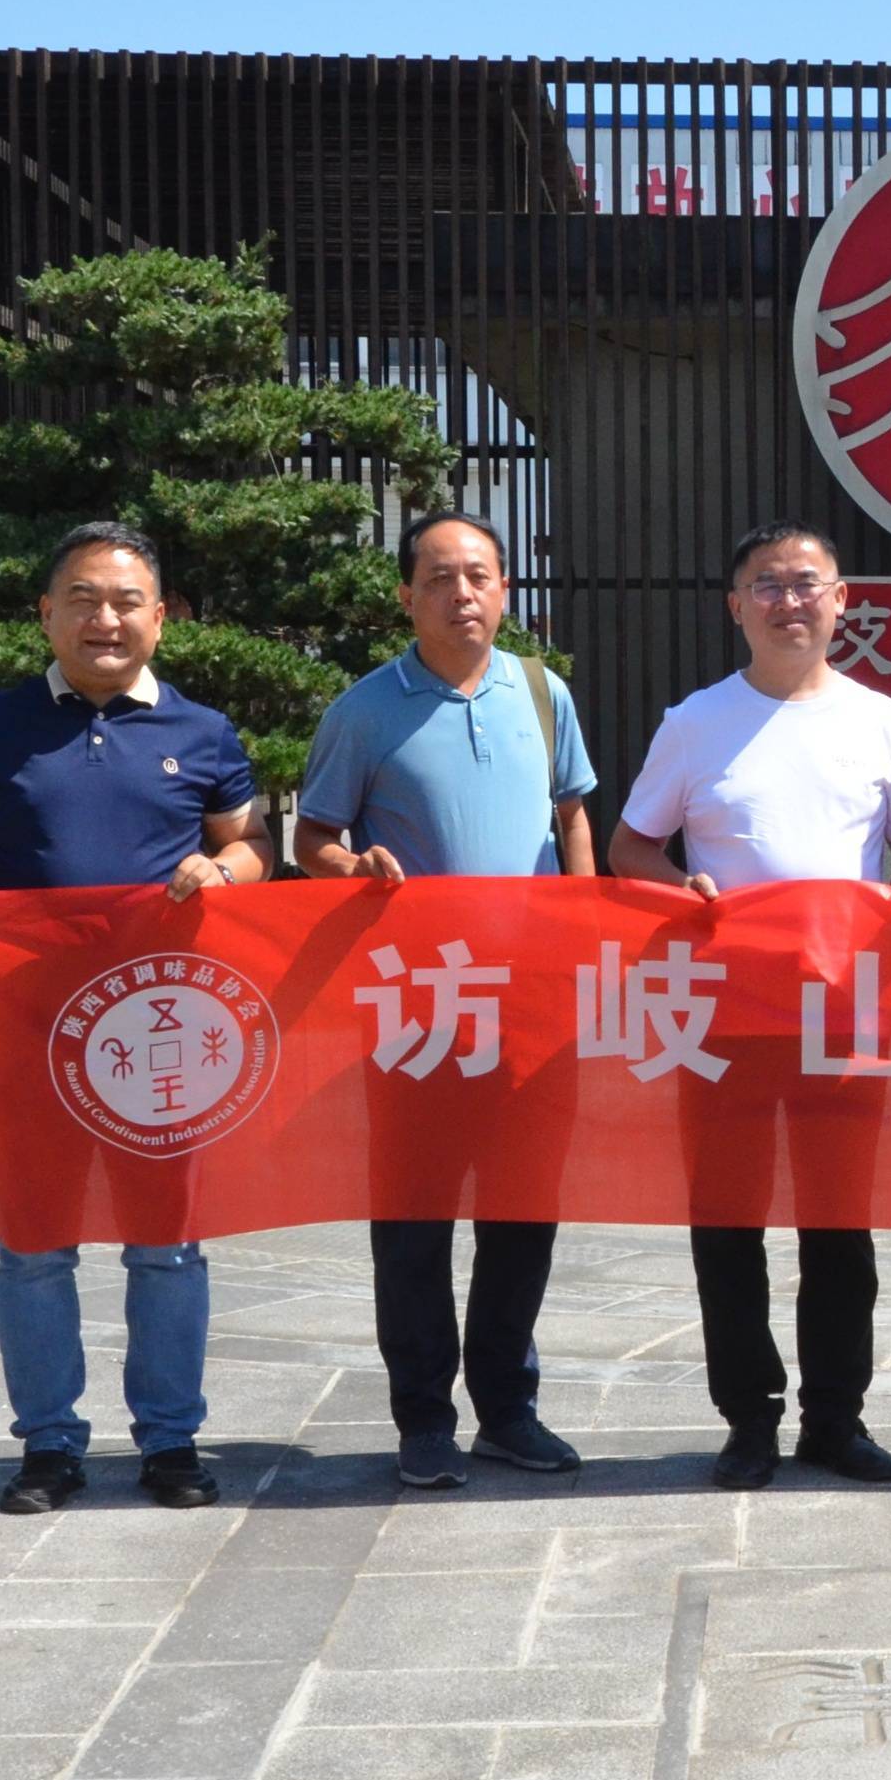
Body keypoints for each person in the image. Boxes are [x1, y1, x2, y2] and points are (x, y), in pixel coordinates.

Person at [0, 521, 264, 1516]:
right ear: (46, 615)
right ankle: (48, 1445)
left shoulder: (202, 733)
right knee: (33, 1246)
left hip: (159, 1035)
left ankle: (171, 1441)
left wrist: (223, 869)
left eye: (126, 602)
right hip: (26, 1028)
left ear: (160, 619)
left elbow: (252, 846)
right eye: (82, 600)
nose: (104, 619)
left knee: (167, 1243)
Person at [613, 522, 891, 1490]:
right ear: (735, 606)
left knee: (840, 1223)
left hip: (845, 1014)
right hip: (726, 1020)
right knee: (728, 1222)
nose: (789, 602)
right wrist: (682, 890)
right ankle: (748, 1419)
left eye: (805, 583)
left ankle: (837, 1417)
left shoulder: (883, 722)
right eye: (767, 586)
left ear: (841, 601)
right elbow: (631, 848)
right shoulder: (694, 723)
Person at [293, 509, 598, 1491]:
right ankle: (423, 1419)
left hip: (533, 1006)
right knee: (414, 1222)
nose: (461, 594)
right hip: (416, 1008)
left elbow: (572, 814)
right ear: (406, 596)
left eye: (478, 576)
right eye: (438, 577)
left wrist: (586, 923)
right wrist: (354, 866)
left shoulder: (543, 693)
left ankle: (508, 1409)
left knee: (523, 1213)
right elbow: (312, 840)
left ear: (504, 590)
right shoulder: (365, 710)